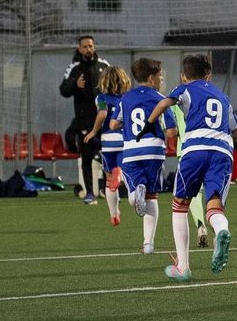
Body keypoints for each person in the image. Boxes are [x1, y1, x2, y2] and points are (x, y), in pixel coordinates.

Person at [143, 54, 237, 283]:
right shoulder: (223, 97)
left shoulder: (184, 89)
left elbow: (163, 103)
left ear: (183, 76)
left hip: (194, 150)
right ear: (209, 75)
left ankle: (183, 267)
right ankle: (220, 231)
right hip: (222, 152)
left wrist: (149, 123)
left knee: (180, 205)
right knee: (214, 206)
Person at [120, 58, 173, 255]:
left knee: (132, 187)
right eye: (160, 76)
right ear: (151, 78)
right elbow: (171, 131)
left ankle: (135, 194)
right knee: (152, 196)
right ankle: (148, 244)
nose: (161, 79)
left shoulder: (125, 98)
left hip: (132, 150)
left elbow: (114, 124)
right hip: (154, 150)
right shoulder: (160, 97)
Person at [58, 35, 109, 204]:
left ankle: (107, 188)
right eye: (85, 46)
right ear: (79, 49)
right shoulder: (74, 68)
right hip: (85, 121)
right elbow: (63, 90)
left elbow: (116, 85)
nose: (88, 49)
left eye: (91, 46)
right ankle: (89, 193)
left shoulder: (103, 65)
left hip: (104, 120)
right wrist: (74, 84)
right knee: (86, 157)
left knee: (108, 155)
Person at [85, 66, 131, 226]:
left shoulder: (101, 98)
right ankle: (122, 176)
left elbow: (103, 113)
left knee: (109, 179)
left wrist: (93, 131)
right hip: (124, 140)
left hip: (107, 143)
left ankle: (114, 213)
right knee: (127, 172)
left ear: (104, 81)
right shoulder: (127, 98)